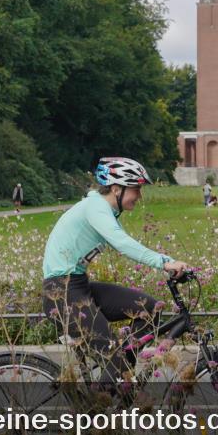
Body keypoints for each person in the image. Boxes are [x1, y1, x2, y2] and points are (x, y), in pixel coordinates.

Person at [41, 157, 190, 389]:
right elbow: (122, 243)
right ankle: (100, 411)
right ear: (116, 188)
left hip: (78, 286)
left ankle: (120, 378)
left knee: (150, 309)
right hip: (61, 293)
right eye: (136, 189)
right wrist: (164, 262)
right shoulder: (96, 207)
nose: (139, 196)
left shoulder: (104, 210)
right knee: (113, 356)